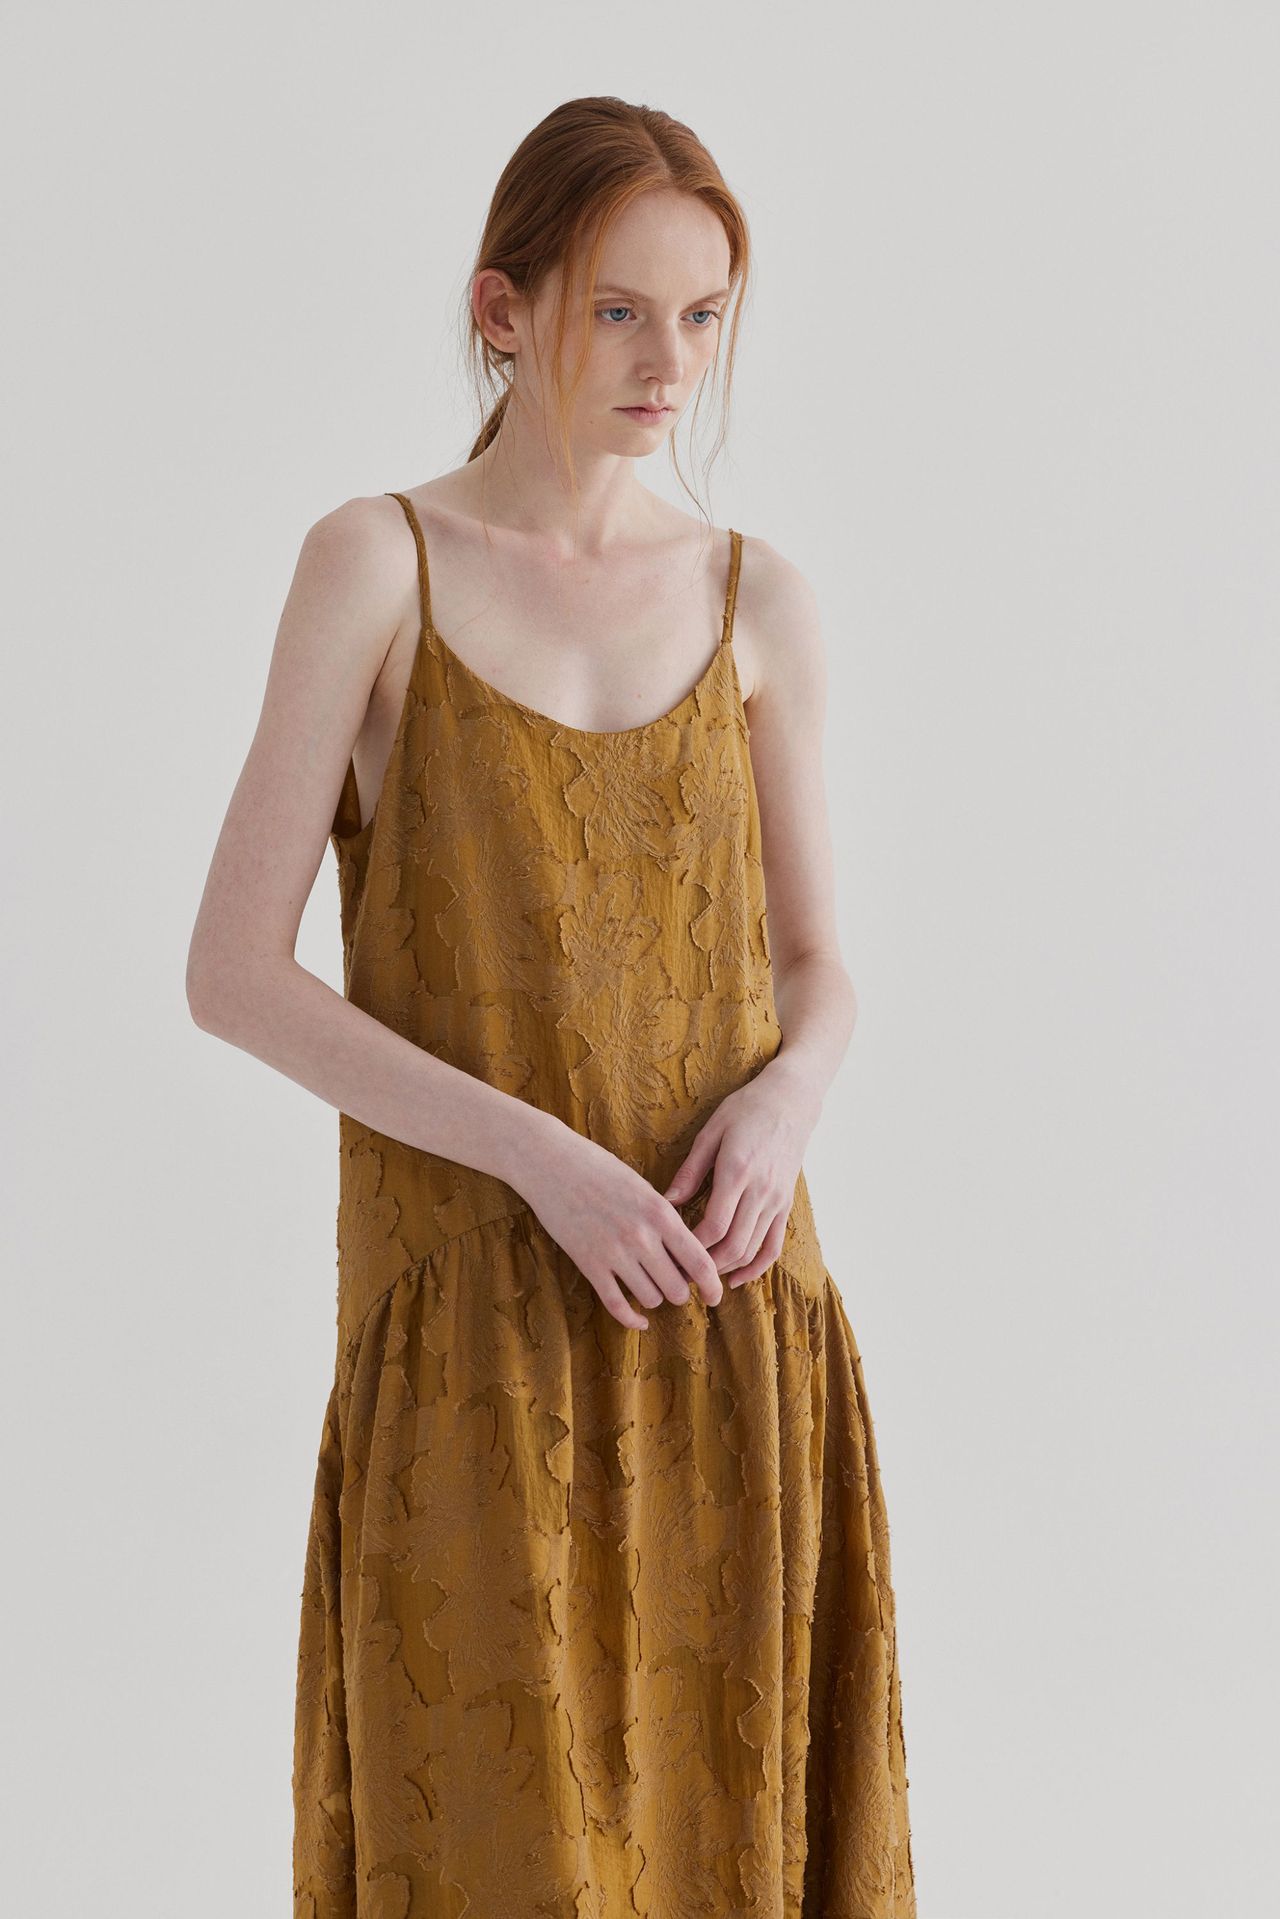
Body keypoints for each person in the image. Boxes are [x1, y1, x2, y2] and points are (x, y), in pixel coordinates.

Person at [187, 94, 917, 1919]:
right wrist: (542, 1161)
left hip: (726, 1311)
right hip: (474, 1327)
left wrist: (788, 1100)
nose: (671, 362)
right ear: (501, 309)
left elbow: (820, 966)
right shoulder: (378, 565)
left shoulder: (758, 600)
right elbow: (233, 973)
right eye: (619, 310)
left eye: (704, 315)